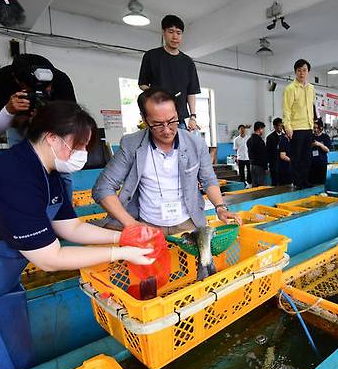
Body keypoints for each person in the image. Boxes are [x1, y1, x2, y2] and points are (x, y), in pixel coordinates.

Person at [0, 101, 154, 369]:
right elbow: (50, 258)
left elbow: (69, 227)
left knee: (15, 357)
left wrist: (124, 236)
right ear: (52, 137)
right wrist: (121, 253)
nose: (83, 155)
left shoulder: (48, 174)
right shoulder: (15, 178)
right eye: (79, 146)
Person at [93, 88, 241, 234]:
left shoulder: (195, 144)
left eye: (172, 121)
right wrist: (131, 224)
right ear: (145, 120)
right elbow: (103, 188)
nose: (167, 130)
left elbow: (208, 180)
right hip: (147, 225)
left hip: (188, 224)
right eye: (157, 124)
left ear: (178, 114)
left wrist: (220, 207)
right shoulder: (131, 144)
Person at [0, 54, 77, 197]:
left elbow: (73, 119)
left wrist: (47, 119)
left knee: (62, 175)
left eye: (47, 87)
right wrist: (9, 111)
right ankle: (28, 210)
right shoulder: (2, 79)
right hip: (20, 130)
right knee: (23, 173)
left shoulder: (61, 80)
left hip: (55, 130)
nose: (43, 91)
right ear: (17, 80)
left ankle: (65, 212)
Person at [138, 15, 201, 131]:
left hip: (179, 119)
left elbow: (191, 92)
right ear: (163, 32)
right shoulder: (151, 56)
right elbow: (142, 83)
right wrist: (158, 95)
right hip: (157, 119)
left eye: (178, 33)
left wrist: (193, 117)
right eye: (171, 32)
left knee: (181, 148)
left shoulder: (188, 62)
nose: (175, 36)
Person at [282, 59, 315, 189]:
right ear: (295, 72)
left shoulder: (311, 88)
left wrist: (313, 123)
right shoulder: (290, 89)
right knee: (296, 157)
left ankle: (304, 180)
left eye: (304, 70)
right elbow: (286, 109)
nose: (302, 73)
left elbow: (312, 107)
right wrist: (288, 127)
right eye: (299, 70)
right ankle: (297, 181)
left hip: (308, 126)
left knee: (307, 157)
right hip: (296, 128)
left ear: (308, 72)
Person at [309, 118, 332, 185]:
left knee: (321, 183)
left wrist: (319, 144)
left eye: (317, 128)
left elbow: (327, 150)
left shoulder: (325, 137)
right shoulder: (311, 136)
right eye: (314, 128)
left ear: (321, 128)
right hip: (312, 164)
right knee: (311, 182)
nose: (315, 130)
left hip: (321, 164)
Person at [247, 121, 268, 187]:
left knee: (254, 185)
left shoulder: (249, 140)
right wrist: (266, 167)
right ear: (260, 129)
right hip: (260, 166)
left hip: (252, 165)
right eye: (263, 129)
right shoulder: (260, 141)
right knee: (261, 186)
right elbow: (263, 155)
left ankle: (255, 197)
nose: (263, 131)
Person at [266, 117, 284, 185]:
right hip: (274, 163)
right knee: (275, 181)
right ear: (275, 126)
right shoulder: (270, 137)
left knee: (283, 181)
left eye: (282, 125)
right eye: (279, 125)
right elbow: (268, 151)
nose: (281, 127)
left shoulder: (284, 136)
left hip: (283, 163)